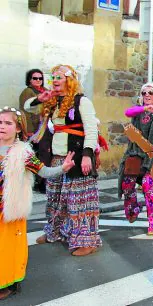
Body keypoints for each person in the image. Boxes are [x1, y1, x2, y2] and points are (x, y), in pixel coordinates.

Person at [25, 64, 101, 256]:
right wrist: (38, 99)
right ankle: (55, 232)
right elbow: (26, 108)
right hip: (57, 158)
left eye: (59, 77)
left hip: (76, 157)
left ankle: (87, 241)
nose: (55, 81)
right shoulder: (52, 102)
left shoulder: (82, 101)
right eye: (53, 78)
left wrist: (86, 155)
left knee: (78, 202)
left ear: (70, 80)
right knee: (54, 199)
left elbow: (91, 130)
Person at [0, 108, 75, 300]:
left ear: (18, 128)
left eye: (8, 123)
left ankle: (8, 282)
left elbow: (43, 172)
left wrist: (63, 168)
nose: (2, 127)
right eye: (0, 122)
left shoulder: (22, 154)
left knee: (7, 249)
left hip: (7, 211)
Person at [118, 83, 153, 236]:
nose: (147, 95)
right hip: (135, 154)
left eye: (151, 93)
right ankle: (133, 207)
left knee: (148, 187)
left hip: (152, 155)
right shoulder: (138, 111)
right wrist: (144, 108)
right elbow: (128, 112)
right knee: (127, 184)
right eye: (144, 93)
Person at [19, 69, 52, 193]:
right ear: (29, 80)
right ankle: (42, 183)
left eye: (40, 78)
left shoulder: (44, 91)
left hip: (46, 127)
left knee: (46, 154)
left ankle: (45, 181)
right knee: (42, 155)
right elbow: (25, 112)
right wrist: (28, 130)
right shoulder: (28, 92)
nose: (38, 80)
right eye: (35, 78)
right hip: (36, 130)